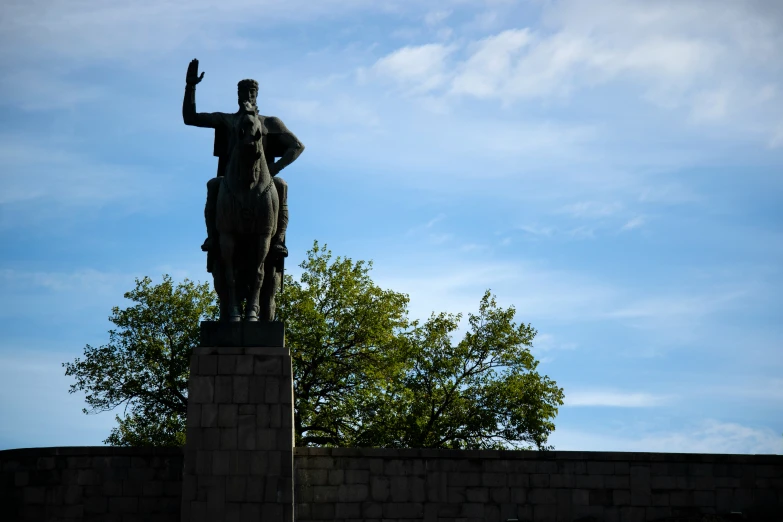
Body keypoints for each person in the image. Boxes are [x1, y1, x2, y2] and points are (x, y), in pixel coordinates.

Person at [182, 59, 304, 260]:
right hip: (232, 179)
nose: (247, 96)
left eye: (252, 93)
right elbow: (190, 117)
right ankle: (212, 237)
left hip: (261, 180)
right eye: (243, 93)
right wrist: (190, 87)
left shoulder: (269, 122)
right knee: (213, 185)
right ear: (238, 95)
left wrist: (273, 169)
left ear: (257, 96)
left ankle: (279, 239)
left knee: (281, 186)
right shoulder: (227, 120)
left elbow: (297, 146)